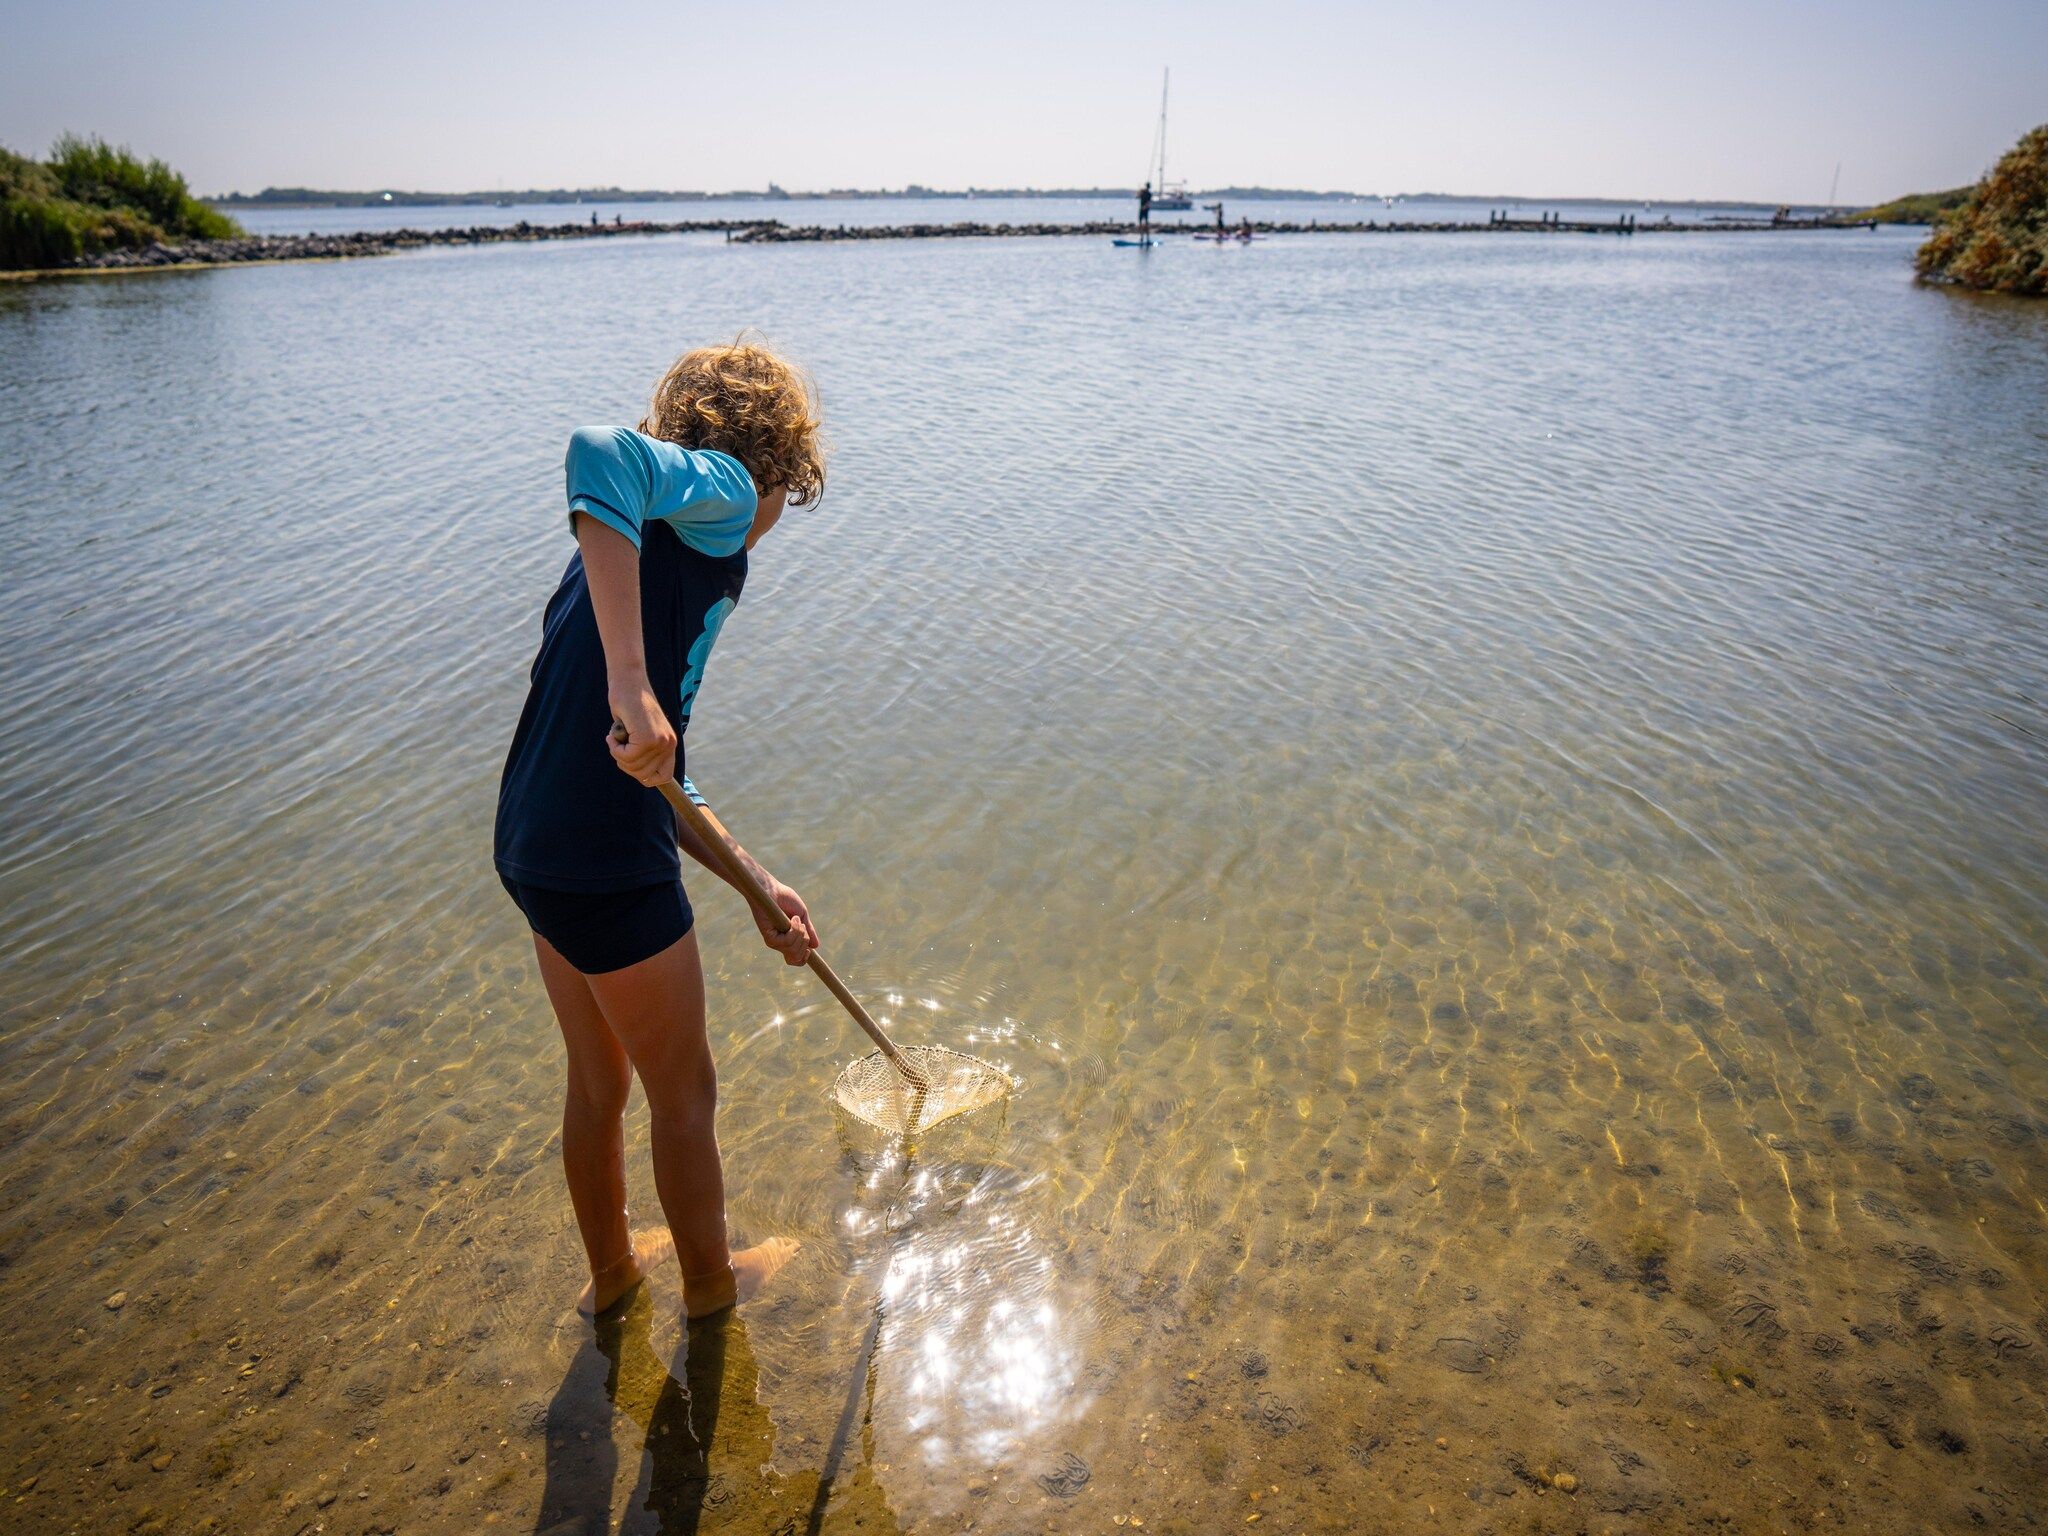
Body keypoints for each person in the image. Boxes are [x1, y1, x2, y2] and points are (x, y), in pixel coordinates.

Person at [495, 341, 828, 1321]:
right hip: (602, 856)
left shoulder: (627, 542)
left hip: (533, 842)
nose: (769, 528)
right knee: (685, 1095)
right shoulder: (728, 494)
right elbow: (597, 446)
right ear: (778, 466)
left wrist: (756, 887)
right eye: (786, 502)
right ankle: (714, 1295)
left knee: (598, 1084)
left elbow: (662, 775)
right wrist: (634, 683)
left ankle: (612, 1283)